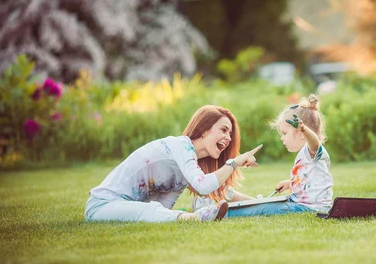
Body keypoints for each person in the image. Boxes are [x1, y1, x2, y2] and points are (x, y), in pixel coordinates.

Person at [84, 105, 262, 223]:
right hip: (102, 206)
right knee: (149, 210)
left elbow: (163, 209)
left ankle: (197, 214)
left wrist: (256, 203)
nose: (228, 138)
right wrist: (234, 163)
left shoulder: (188, 168)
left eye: (230, 133)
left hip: (128, 208)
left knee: (153, 211)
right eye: (223, 130)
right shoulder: (180, 146)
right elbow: (204, 186)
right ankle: (196, 218)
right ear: (204, 130)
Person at [219, 94, 334, 218]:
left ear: (301, 134)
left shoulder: (312, 150)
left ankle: (225, 213)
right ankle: (227, 201)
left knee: (265, 209)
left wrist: (304, 130)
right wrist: (290, 183)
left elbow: (314, 141)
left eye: (285, 133)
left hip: (310, 207)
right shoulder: (306, 154)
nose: (282, 138)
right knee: (266, 205)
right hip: (302, 205)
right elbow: (310, 180)